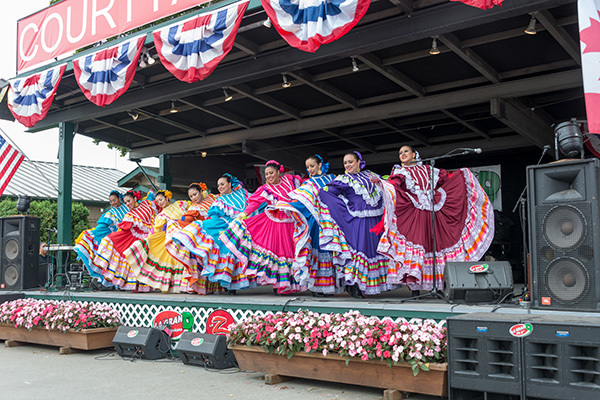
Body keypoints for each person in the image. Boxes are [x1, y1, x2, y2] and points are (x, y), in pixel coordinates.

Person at [379, 145, 494, 292]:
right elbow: (394, 185)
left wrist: (461, 175)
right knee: (419, 246)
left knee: (436, 246)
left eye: (406, 151)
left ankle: (439, 285)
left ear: (414, 154)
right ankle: (415, 287)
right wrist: (383, 183)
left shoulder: (428, 169)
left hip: (434, 212)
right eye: (400, 153)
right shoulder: (400, 172)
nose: (402, 154)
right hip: (416, 215)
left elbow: (445, 179)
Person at [318, 151, 395, 298]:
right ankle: (353, 285)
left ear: (359, 162)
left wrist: (385, 181)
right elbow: (327, 192)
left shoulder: (371, 175)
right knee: (360, 250)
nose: (347, 165)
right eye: (345, 163)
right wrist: (345, 208)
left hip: (375, 219)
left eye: (350, 162)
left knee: (375, 250)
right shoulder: (344, 179)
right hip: (358, 220)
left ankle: (373, 285)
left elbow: (385, 186)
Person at [220, 160, 304, 294]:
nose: (269, 176)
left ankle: (292, 284)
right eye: (266, 174)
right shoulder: (266, 189)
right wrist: (244, 214)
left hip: (293, 223)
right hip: (276, 225)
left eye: (271, 173)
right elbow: (254, 204)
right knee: (279, 253)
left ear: (278, 172)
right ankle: (279, 284)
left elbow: (304, 188)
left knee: (292, 252)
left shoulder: (290, 180)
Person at [125, 185, 217, 293]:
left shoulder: (180, 204)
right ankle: (184, 287)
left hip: (189, 233)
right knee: (181, 261)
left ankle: (198, 285)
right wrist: (148, 240)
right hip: (174, 240)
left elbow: (193, 207)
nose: (159, 203)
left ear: (167, 198)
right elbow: (156, 231)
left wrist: (204, 195)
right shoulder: (161, 215)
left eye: (161, 199)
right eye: (157, 201)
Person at [167, 174, 250, 293]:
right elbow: (192, 218)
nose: (220, 187)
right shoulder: (211, 203)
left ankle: (231, 285)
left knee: (236, 251)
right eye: (218, 185)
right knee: (221, 249)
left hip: (241, 226)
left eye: (222, 184)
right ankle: (226, 286)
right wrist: (178, 223)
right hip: (221, 227)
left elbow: (253, 204)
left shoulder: (219, 197)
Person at [271, 155, 339, 295]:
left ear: (320, 165)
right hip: (315, 221)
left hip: (331, 220)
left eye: (312, 166)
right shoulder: (308, 184)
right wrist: (285, 205)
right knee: (318, 251)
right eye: (307, 167)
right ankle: (316, 287)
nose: (310, 170)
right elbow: (300, 201)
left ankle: (330, 286)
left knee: (330, 252)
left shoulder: (332, 179)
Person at [92, 190, 169, 291]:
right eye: (126, 202)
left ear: (135, 198)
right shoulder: (130, 215)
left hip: (155, 236)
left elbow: (160, 205)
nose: (128, 204)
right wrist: (113, 237)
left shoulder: (148, 204)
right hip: (139, 239)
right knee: (136, 258)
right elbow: (123, 229)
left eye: (129, 201)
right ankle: (139, 286)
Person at [74, 190, 129, 287]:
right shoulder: (111, 213)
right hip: (120, 238)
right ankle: (119, 283)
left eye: (114, 200)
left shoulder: (128, 207)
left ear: (120, 199)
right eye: (111, 201)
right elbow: (102, 226)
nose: (113, 203)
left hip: (132, 236)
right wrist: (92, 232)